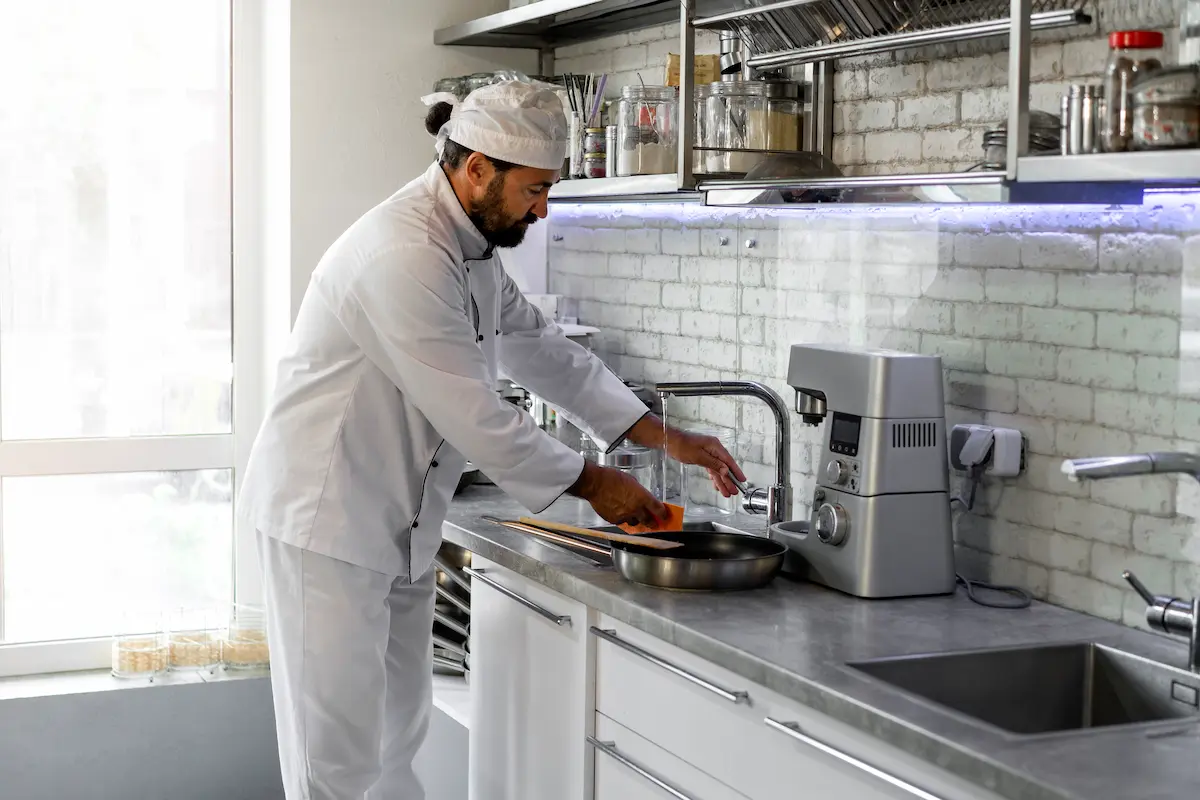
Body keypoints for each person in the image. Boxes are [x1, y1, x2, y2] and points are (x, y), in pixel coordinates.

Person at [237, 81, 746, 800]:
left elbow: (537, 347)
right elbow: (473, 414)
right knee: (336, 763)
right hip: (327, 525)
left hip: (398, 524)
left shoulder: (467, 247)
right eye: (535, 191)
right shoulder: (403, 253)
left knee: (393, 742)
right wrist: (599, 484)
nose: (543, 210)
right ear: (477, 169)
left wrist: (659, 434)